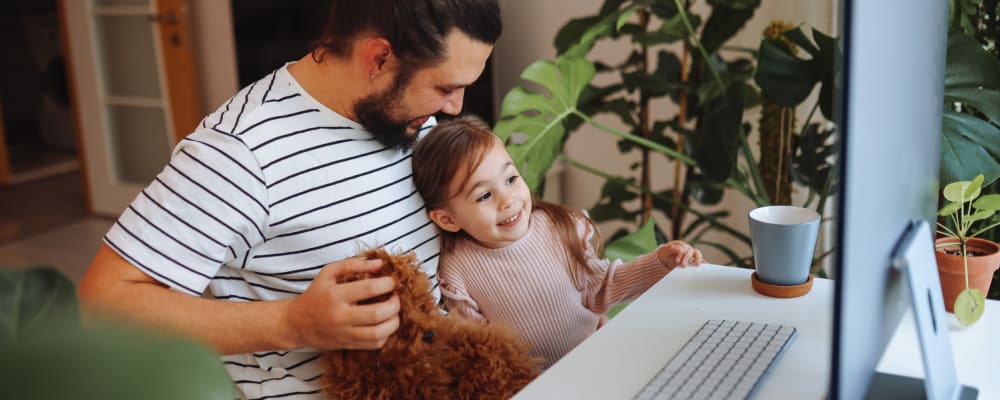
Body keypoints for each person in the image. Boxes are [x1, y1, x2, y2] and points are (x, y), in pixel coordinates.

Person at [77, 1, 501, 398]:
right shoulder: (239, 153)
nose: (454, 107)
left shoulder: (411, 117)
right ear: (379, 59)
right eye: (445, 86)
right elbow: (103, 306)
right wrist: (293, 323)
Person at [411, 115, 705, 368]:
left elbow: (603, 286)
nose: (507, 200)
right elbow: (480, 350)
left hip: (598, 359)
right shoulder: (457, 270)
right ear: (447, 220)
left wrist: (659, 262)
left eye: (511, 179)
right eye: (484, 196)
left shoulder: (558, 228)